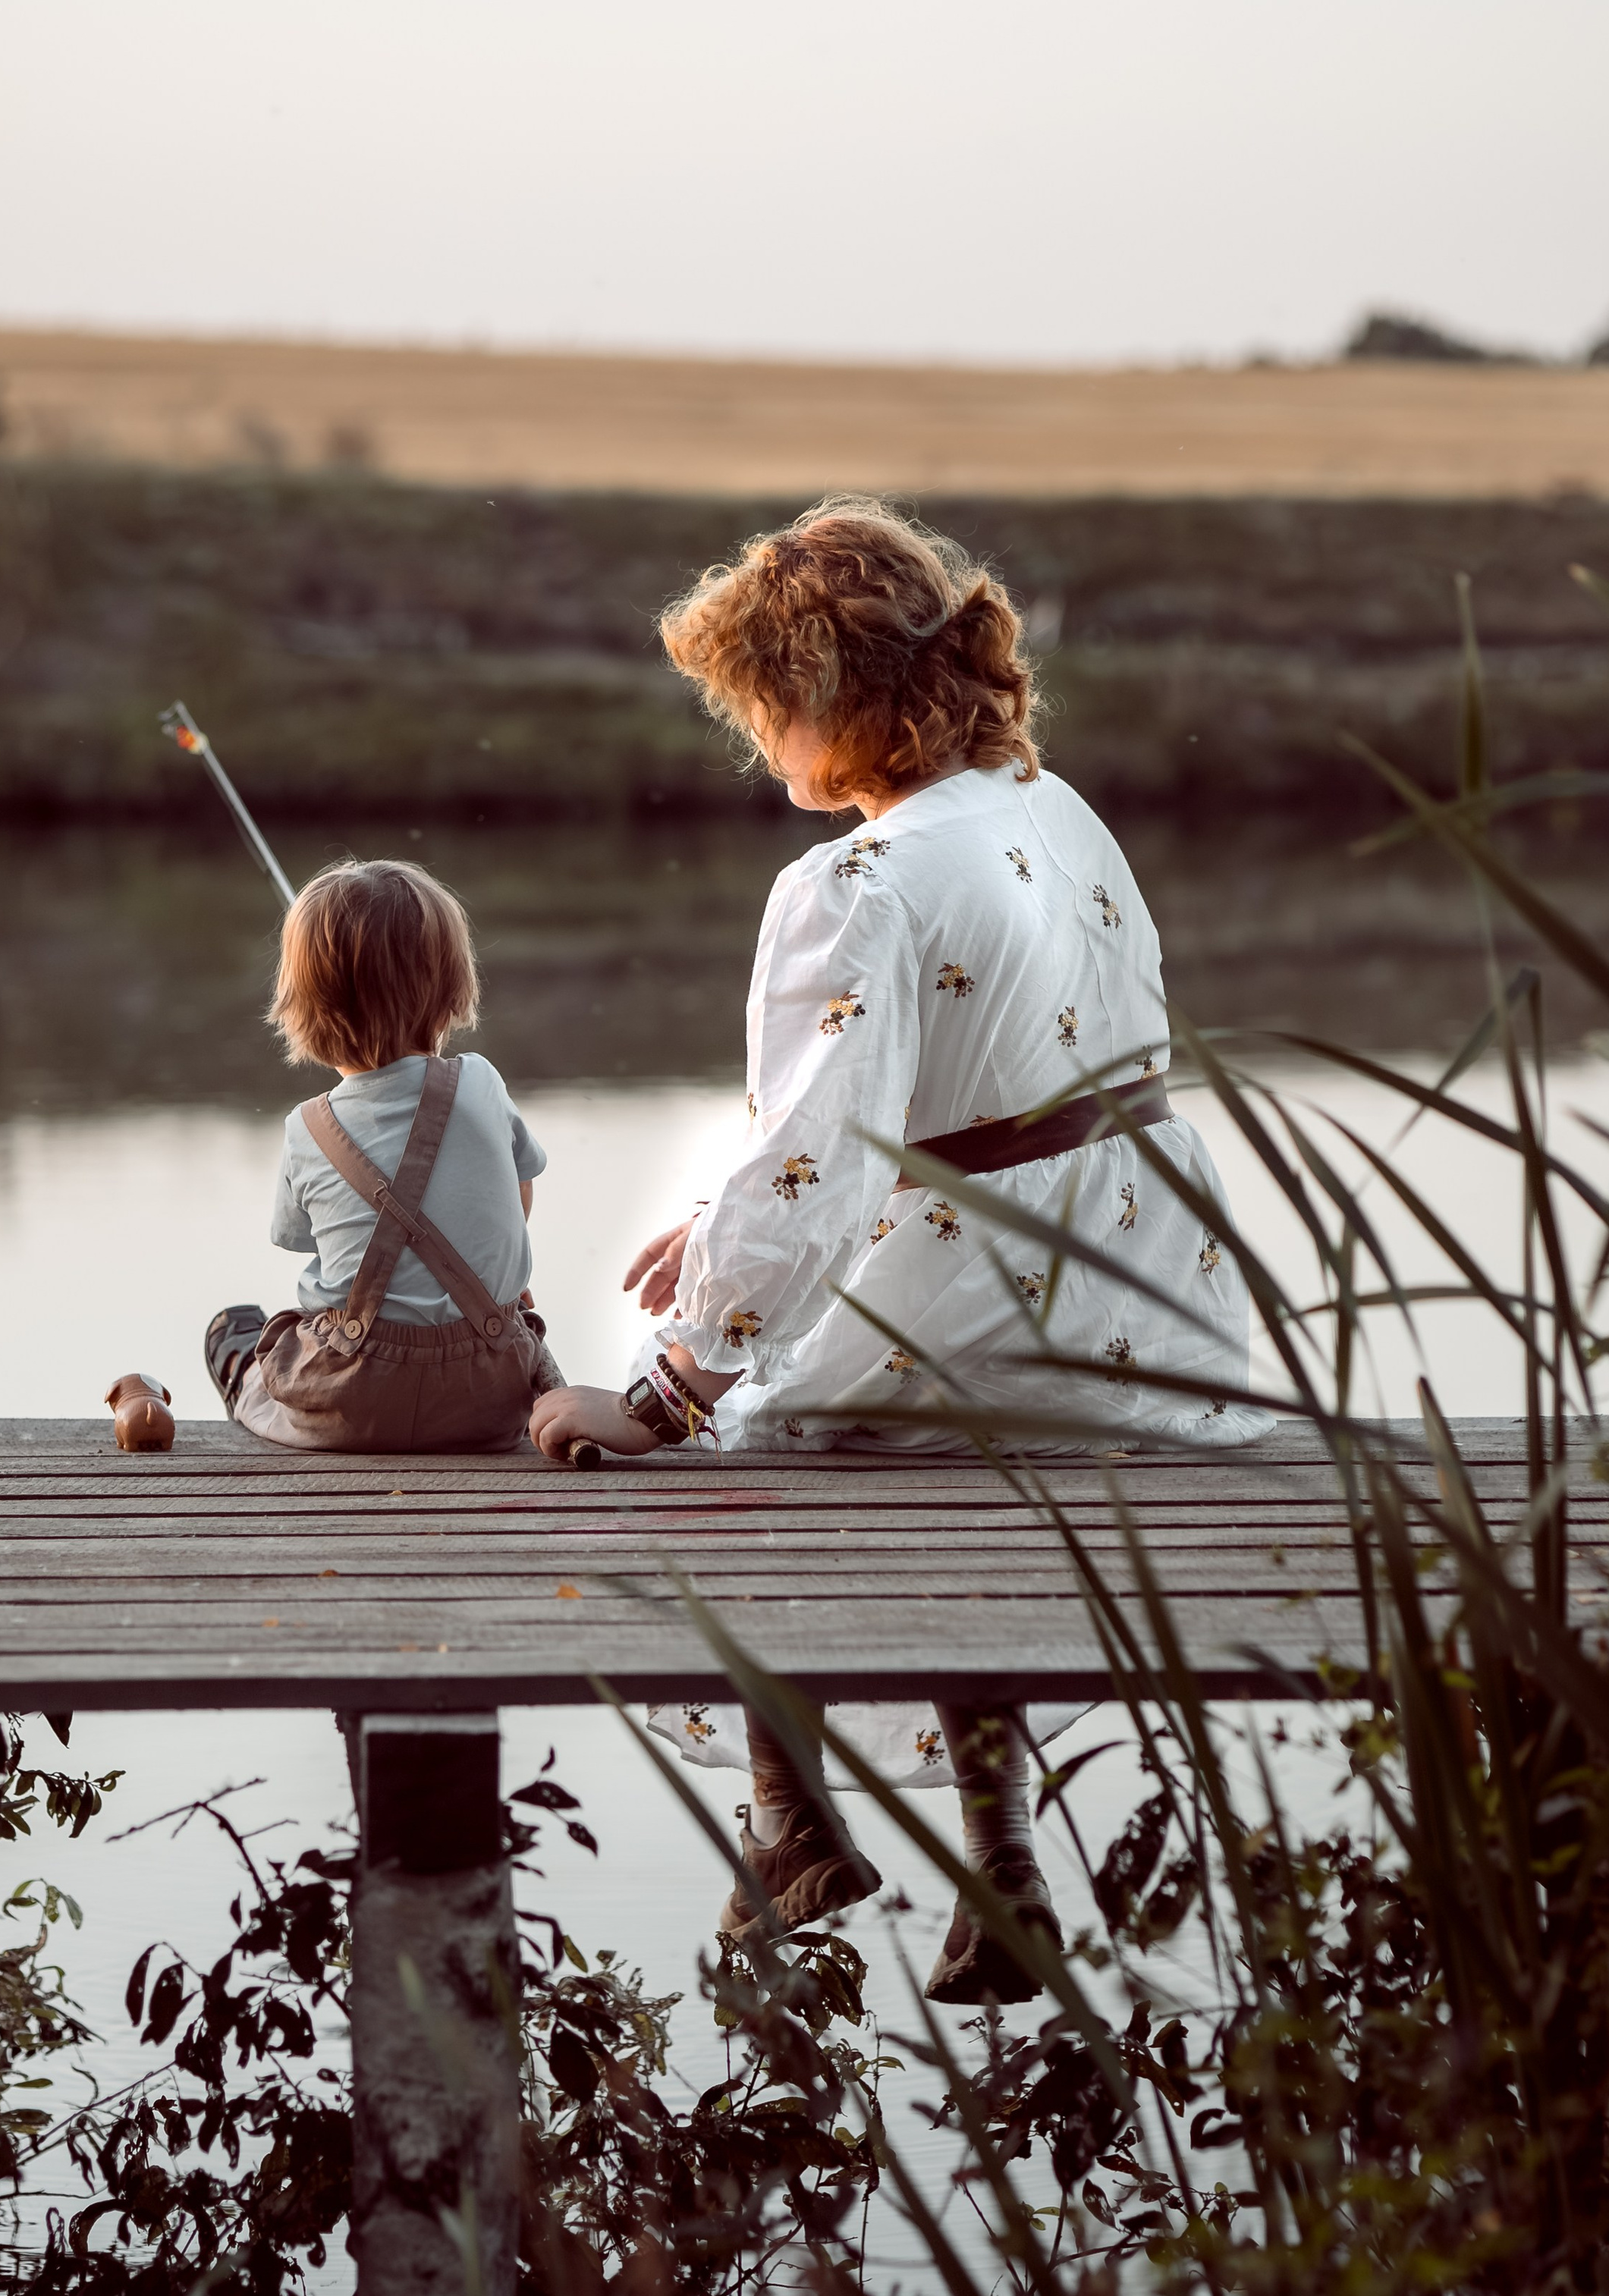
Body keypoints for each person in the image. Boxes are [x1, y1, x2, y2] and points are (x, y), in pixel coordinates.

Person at [529, 497, 1271, 1999]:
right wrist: (735, 1218)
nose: (753, 747)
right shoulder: (1052, 810)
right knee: (891, 1396)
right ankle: (995, 1865)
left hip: (984, 1318)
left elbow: (818, 1163)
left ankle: (792, 1823)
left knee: (737, 1423)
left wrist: (668, 1393)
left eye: (755, 711)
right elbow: (953, 1107)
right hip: (1147, 1313)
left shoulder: (848, 887)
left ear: (822, 700)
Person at [206, 859, 558, 1452]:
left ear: (305, 1006)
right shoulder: (482, 1083)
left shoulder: (306, 1128)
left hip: (352, 1404)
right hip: (487, 1398)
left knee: (257, 1338)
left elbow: (304, 1239)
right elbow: (519, 1192)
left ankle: (237, 1369)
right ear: (450, 992)